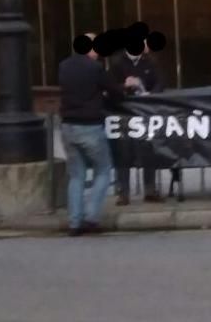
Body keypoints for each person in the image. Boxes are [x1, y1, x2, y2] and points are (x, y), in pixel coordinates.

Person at [58, 33, 127, 236]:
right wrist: (122, 88)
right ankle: (91, 217)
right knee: (104, 170)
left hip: (67, 126)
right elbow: (115, 91)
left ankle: (74, 222)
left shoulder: (64, 66)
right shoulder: (95, 68)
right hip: (89, 126)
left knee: (76, 176)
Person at [109, 40, 165, 205]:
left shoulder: (150, 61)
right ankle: (123, 192)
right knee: (123, 152)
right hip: (123, 114)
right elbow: (110, 85)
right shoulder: (117, 62)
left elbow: (160, 81)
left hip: (146, 114)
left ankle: (150, 189)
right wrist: (124, 86)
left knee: (148, 149)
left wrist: (151, 94)